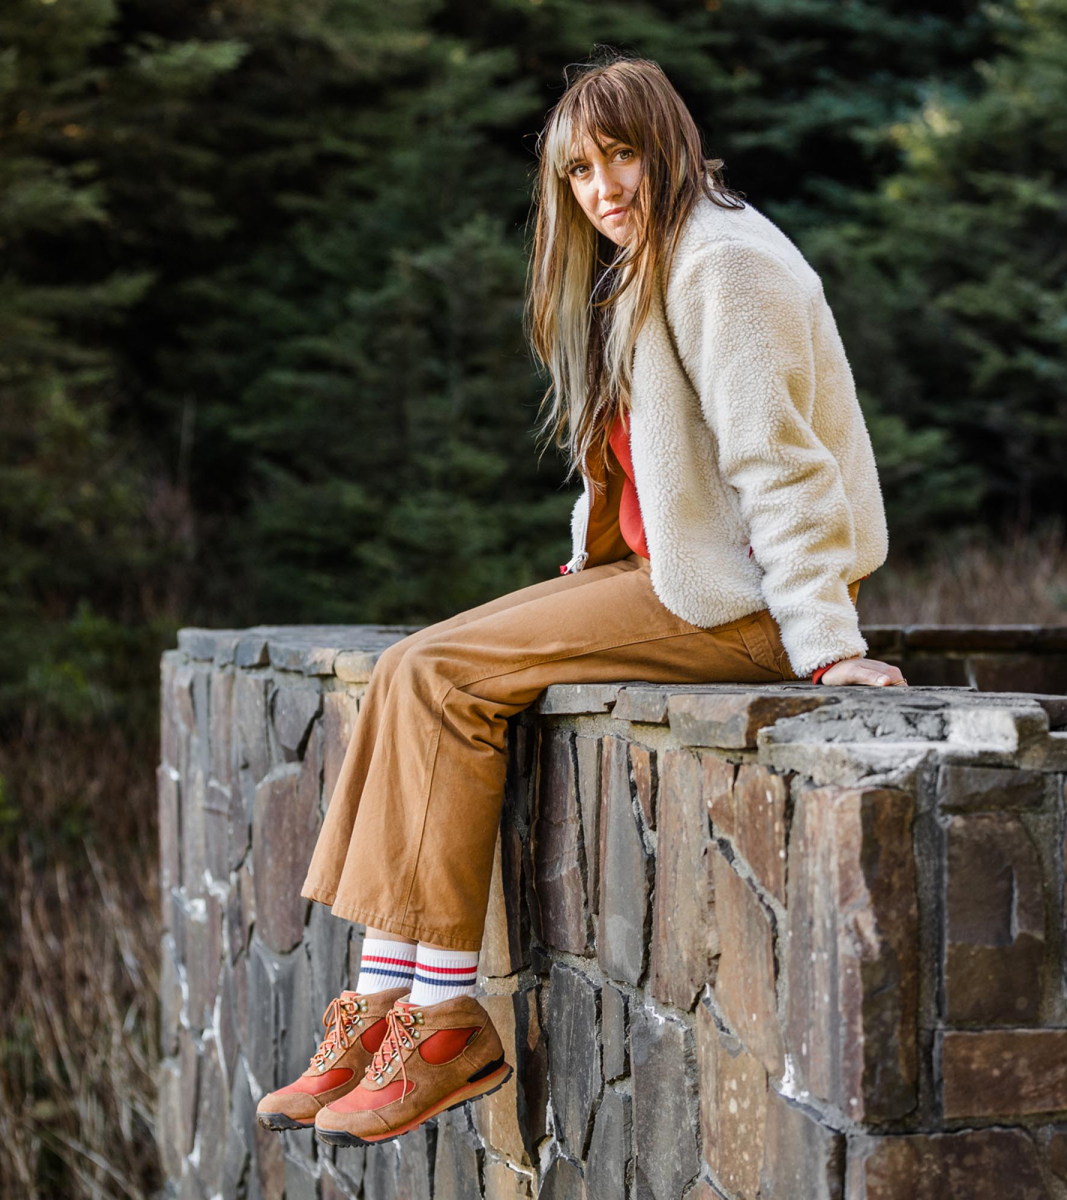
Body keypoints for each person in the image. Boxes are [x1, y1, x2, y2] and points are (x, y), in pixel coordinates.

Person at [255, 50, 907, 1147]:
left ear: (671, 147)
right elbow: (638, 466)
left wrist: (824, 643)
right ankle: (378, 1005)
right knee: (413, 663)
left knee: (443, 677)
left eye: (622, 158)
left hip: (737, 609)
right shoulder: (658, 257)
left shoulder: (723, 263)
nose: (602, 189)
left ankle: (443, 1021)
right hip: (668, 581)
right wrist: (580, 569)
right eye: (578, 171)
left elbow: (780, 465)